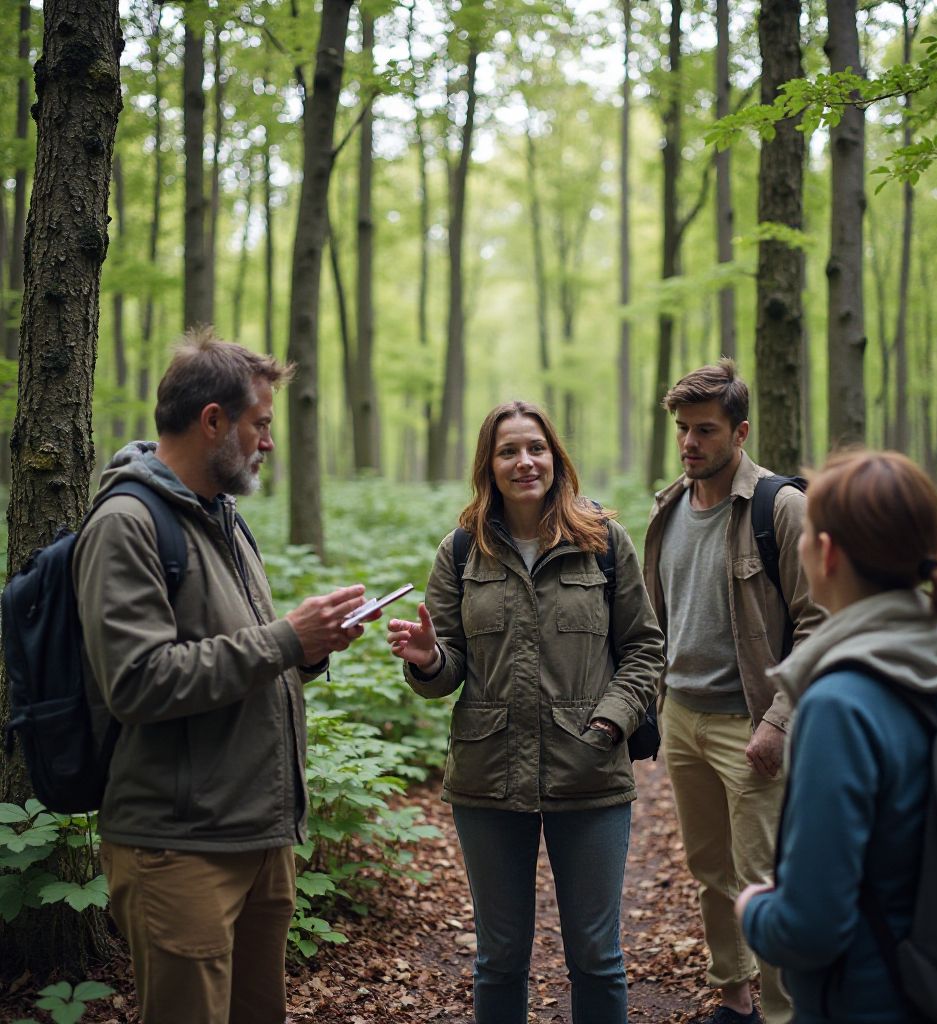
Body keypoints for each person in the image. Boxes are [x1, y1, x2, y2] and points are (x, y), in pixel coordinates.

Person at [74, 328, 374, 1024]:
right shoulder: (128, 524)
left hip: (255, 836)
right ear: (214, 420)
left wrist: (310, 646)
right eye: (260, 423)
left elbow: (243, 656)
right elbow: (139, 682)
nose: (268, 442)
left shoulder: (224, 520)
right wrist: (284, 639)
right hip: (179, 850)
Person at [386, 400, 664, 1024]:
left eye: (535, 447)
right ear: (489, 464)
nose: (524, 461)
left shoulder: (603, 542)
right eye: (508, 450)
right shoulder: (461, 550)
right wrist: (430, 658)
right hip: (488, 777)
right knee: (499, 957)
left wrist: (611, 720)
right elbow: (446, 670)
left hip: (590, 771)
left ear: (555, 457)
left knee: (597, 956)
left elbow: (645, 647)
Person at [736, 450, 937, 1024]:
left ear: (826, 552)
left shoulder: (839, 705)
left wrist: (753, 909)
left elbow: (810, 927)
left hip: (868, 997)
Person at [643, 359, 824, 1024]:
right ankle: (733, 994)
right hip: (683, 716)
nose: (690, 443)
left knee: (763, 881)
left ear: (741, 432)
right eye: (683, 430)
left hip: (751, 724)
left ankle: (783, 1012)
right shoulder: (668, 509)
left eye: (706, 431)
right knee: (710, 873)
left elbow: (819, 623)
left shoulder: (782, 508)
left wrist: (778, 721)